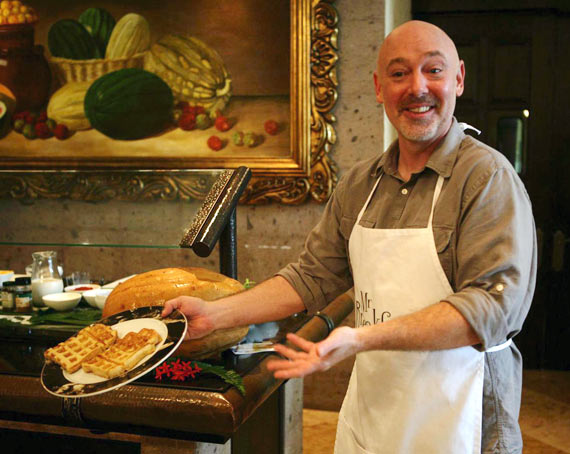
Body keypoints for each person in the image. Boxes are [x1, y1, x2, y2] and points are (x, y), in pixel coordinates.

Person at [162, 20, 536, 454]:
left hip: (461, 420)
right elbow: (309, 277)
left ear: (458, 78)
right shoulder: (361, 183)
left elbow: (492, 308)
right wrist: (213, 315)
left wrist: (360, 338)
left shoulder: (487, 178)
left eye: (433, 70)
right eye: (399, 74)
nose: (417, 87)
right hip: (376, 415)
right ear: (379, 88)